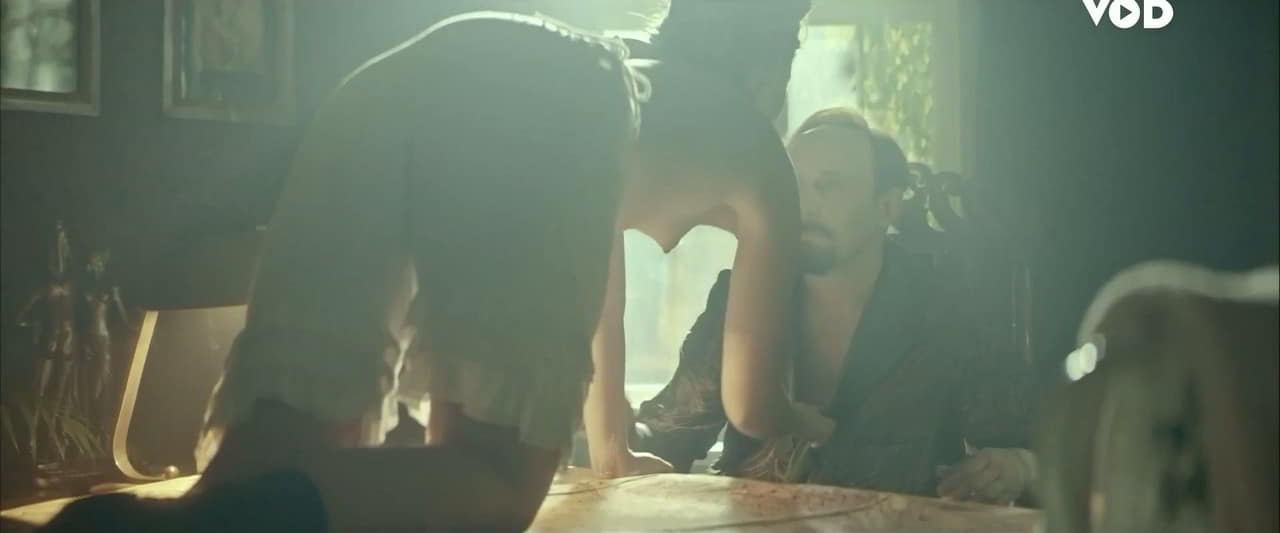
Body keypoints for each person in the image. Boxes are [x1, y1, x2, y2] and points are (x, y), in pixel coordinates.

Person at [43, 4, 823, 532]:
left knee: (296, 427)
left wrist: (612, 443)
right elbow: (751, 403)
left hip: (409, 69)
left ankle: (168, 521)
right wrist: (816, 422)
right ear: (777, 51)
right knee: (491, 473)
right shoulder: (756, 151)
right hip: (539, 101)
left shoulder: (628, 75)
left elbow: (588, 274)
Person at [633, 107, 1039, 504]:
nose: (805, 206)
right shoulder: (741, 295)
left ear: (886, 208)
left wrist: (1016, 465)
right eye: (794, 186)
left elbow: (1033, 441)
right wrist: (614, 429)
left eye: (830, 186)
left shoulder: (944, 306)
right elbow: (671, 432)